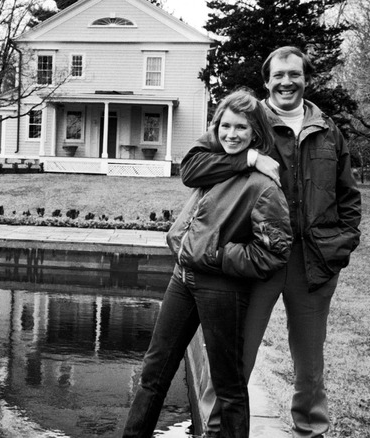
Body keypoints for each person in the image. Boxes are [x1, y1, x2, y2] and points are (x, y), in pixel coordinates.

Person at [181, 46, 362, 438]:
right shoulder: (250, 120)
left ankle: (310, 430)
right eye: (278, 75)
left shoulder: (327, 129)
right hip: (257, 259)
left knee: (310, 364)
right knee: (235, 358)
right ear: (267, 81)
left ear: (306, 79)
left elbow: (348, 196)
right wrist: (249, 159)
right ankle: (216, 430)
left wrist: (341, 246)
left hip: (313, 263)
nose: (286, 82)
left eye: (294, 74)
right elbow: (192, 167)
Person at [122, 89, 292, 438]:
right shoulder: (213, 166)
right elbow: (190, 168)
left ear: (255, 133)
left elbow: (274, 251)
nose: (231, 134)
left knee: (228, 385)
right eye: (225, 126)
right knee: (153, 373)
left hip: (221, 287)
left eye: (241, 127)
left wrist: (218, 256)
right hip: (182, 279)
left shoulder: (264, 186)